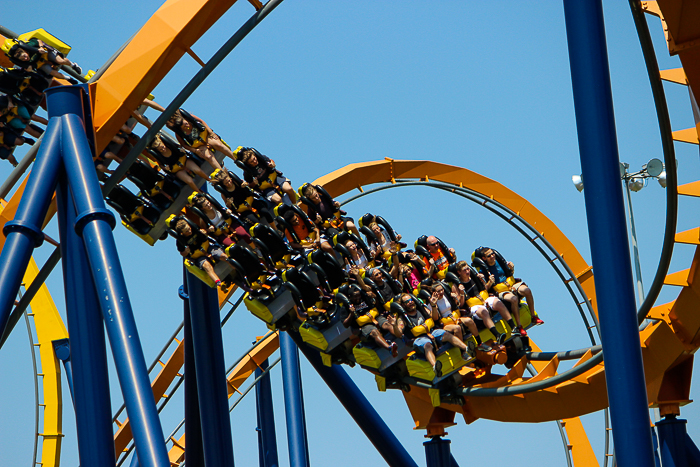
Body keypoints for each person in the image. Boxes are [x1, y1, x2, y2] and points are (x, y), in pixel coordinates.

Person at [474, 247, 543, 336]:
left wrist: (512, 268)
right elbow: (485, 289)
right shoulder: (483, 271)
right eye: (489, 255)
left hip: (511, 285)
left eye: (492, 254)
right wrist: (489, 282)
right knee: (513, 299)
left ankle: (533, 316)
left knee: (527, 290)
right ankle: (519, 326)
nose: (492, 256)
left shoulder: (500, 262)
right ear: (484, 258)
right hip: (500, 291)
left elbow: (509, 273)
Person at [396, 294, 470, 377]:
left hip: (431, 332)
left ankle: (466, 349)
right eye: (407, 302)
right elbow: (399, 333)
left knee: (447, 335)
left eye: (411, 300)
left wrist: (433, 306)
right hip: (419, 338)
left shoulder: (422, 310)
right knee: (427, 345)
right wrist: (394, 326)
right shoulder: (402, 318)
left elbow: (434, 318)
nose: (410, 302)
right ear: (402, 305)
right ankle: (435, 367)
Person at [449, 261, 511, 344]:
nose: (467, 271)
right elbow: (461, 304)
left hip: (483, 300)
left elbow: (485, 289)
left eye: (468, 269)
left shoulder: (475, 277)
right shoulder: (455, 286)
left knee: (498, 302)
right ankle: (497, 335)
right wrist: (461, 293)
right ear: (459, 272)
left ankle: (514, 327)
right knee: (483, 311)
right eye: (464, 270)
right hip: (473, 306)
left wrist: (488, 282)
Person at [426, 283, 491, 351]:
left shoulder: (447, 296)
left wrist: (455, 298)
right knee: (457, 328)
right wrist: (434, 305)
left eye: (442, 289)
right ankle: (463, 351)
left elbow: (458, 305)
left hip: (454, 318)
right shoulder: (431, 303)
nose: (441, 292)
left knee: (469, 320)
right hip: (445, 324)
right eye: (438, 291)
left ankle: (480, 343)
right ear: (434, 292)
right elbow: (435, 318)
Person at [342, 285, 398, 357]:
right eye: (355, 296)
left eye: (359, 295)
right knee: (375, 332)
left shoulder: (364, 298)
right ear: (350, 297)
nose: (358, 298)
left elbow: (376, 306)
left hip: (375, 317)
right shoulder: (345, 307)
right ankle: (389, 348)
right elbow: (345, 325)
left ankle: (401, 336)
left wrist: (374, 297)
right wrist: (351, 314)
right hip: (364, 325)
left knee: (387, 324)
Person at [146, 134, 212, 192]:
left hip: (183, 161)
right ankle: (200, 193)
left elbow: (179, 146)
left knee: (197, 170)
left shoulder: (169, 145)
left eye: (162, 147)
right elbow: (161, 165)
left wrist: (181, 149)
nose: (163, 149)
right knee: (189, 181)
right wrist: (165, 168)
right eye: (160, 150)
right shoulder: (159, 156)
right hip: (177, 169)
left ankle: (210, 180)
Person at [210, 168, 275, 227]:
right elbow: (229, 206)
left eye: (229, 181)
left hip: (250, 201)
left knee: (265, 211)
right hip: (243, 209)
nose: (229, 183)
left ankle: (275, 228)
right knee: (255, 222)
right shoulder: (224, 194)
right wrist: (229, 203)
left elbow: (248, 186)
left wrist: (245, 184)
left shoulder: (237, 182)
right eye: (226, 183)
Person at [173, 219, 227, 289]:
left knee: (223, 255)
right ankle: (219, 283)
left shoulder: (194, 227)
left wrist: (206, 231)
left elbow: (204, 232)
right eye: (187, 231)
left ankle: (234, 264)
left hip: (207, 247)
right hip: (198, 256)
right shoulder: (180, 241)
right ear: (182, 233)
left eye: (189, 229)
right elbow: (182, 253)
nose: (190, 231)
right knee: (207, 266)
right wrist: (186, 251)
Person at [3, 37, 81, 79]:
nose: (26, 59)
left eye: (25, 56)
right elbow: (29, 69)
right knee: (53, 73)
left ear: (25, 52)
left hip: (45, 53)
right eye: (23, 59)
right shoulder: (22, 62)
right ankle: (69, 78)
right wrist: (29, 70)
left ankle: (73, 65)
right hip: (40, 63)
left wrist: (41, 47)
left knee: (60, 61)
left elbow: (38, 40)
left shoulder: (30, 45)